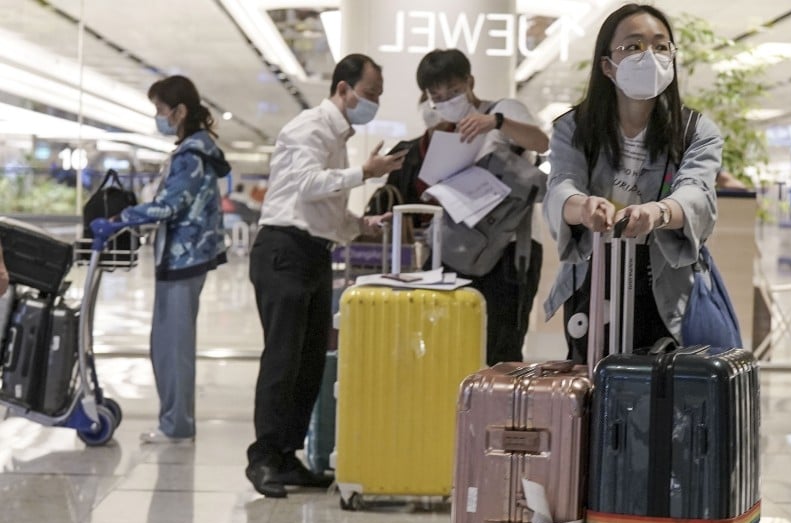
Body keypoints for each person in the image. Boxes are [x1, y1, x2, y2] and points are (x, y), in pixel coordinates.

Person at [246, 53, 406, 499]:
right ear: (343, 89)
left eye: (378, 95)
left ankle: (286, 455)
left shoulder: (337, 137)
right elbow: (307, 184)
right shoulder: (310, 128)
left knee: (309, 360)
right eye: (369, 93)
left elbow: (325, 209)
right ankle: (262, 458)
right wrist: (364, 173)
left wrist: (362, 225)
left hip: (313, 254)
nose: (373, 103)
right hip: (284, 250)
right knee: (283, 358)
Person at [542, 3, 724, 361]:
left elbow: (697, 194)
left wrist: (657, 213)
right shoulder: (574, 128)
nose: (649, 56)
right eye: (633, 46)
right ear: (607, 65)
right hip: (593, 278)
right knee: (593, 379)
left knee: (661, 383)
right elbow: (562, 185)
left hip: (665, 285)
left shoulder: (696, 131)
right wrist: (584, 207)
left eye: (661, 46)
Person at [115, 75, 230, 445]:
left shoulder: (191, 155)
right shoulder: (196, 150)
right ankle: (175, 421)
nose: (158, 117)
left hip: (184, 258)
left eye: (160, 110)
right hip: (184, 257)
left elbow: (170, 205)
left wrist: (123, 217)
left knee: (173, 346)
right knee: (167, 343)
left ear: (179, 112)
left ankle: (176, 425)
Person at [415, 49, 549, 363]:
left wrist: (496, 122)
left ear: (470, 82)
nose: (446, 101)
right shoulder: (443, 132)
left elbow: (542, 143)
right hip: (456, 249)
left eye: (453, 92)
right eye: (437, 97)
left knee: (500, 349)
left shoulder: (502, 110)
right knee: (447, 349)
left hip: (509, 249)